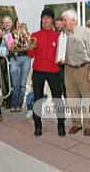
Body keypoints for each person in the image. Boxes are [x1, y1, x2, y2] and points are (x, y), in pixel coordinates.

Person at [28, 8, 65, 137]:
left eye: (48, 18)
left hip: (54, 71)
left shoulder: (59, 36)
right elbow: (31, 54)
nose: (45, 20)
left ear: (52, 20)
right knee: (37, 99)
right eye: (43, 17)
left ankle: (61, 125)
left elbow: (62, 55)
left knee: (57, 99)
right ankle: (38, 126)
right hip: (38, 71)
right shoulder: (34, 35)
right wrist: (30, 47)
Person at [62, 9, 90, 136]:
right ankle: (76, 123)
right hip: (68, 69)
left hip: (84, 68)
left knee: (87, 98)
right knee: (72, 99)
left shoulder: (85, 31)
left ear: (73, 20)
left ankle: (88, 125)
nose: (63, 22)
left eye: (64, 20)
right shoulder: (63, 34)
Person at [8, 19, 32, 112]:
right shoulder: (11, 35)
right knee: (15, 84)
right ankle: (13, 104)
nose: (19, 25)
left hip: (26, 58)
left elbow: (32, 46)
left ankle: (19, 104)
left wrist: (27, 40)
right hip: (14, 59)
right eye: (17, 23)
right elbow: (10, 48)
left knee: (22, 84)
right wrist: (15, 41)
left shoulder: (27, 34)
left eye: (20, 23)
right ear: (15, 24)